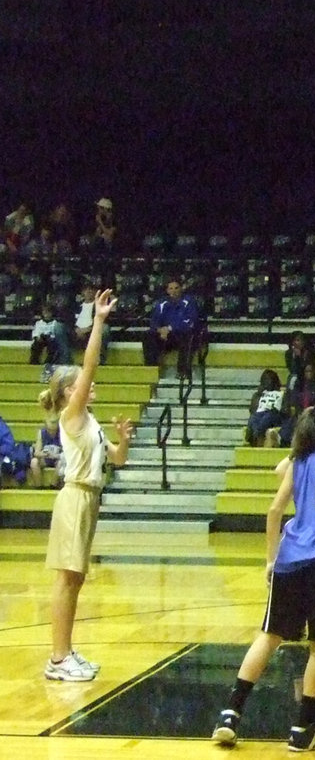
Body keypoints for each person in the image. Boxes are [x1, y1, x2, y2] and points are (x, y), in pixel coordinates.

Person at [212, 392, 315, 751]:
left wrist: (270, 560)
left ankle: (230, 714)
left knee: (268, 636)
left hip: (290, 556)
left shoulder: (301, 455)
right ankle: (304, 730)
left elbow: (274, 511)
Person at [42, 289, 133, 682]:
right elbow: (91, 364)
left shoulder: (90, 421)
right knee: (66, 579)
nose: (88, 384)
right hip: (75, 497)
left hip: (90, 497)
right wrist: (98, 321)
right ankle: (58, 659)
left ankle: (66, 652)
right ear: (69, 392)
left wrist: (123, 440)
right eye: (80, 383)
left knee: (76, 579)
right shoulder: (72, 414)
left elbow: (117, 459)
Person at [142, 278, 201, 378]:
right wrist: (160, 330)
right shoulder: (161, 303)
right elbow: (154, 323)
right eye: (171, 288)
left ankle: (182, 372)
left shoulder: (189, 302)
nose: (174, 291)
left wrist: (169, 328)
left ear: (181, 289)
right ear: (167, 290)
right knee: (148, 335)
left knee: (188, 336)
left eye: (176, 288)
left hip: (181, 335)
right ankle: (151, 371)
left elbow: (190, 322)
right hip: (166, 336)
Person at [246, 369, 288, 447]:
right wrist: (260, 395)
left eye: (270, 380)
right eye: (266, 380)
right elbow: (252, 410)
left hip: (275, 416)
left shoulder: (282, 394)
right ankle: (254, 434)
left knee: (268, 416)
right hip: (260, 416)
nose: (268, 383)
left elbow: (286, 411)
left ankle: (255, 436)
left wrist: (276, 409)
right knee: (253, 417)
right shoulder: (257, 395)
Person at [30, 301, 72, 374]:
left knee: (52, 347)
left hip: (51, 340)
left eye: (48, 312)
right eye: (44, 312)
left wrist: (49, 337)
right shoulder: (39, 323)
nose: (46, 314)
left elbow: (55, 334)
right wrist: (38, 338)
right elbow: (36, 334)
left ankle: (49, 362)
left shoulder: (55, 323)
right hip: (41, 339)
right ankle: (34, 361)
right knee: (35, 345)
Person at [73, 282, 110, 365]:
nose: (89, 291)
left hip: (92, 332)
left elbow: (103, 319)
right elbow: (69, 320)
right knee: (59, 328)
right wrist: (76, 329)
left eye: (91, 289)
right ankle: (64, 360)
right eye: (86, 290)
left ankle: (99, 360)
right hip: (76, 332)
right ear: (82, 292)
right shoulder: (75, 306)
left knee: (105, 328)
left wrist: (89, 329)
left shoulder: (99, 306)